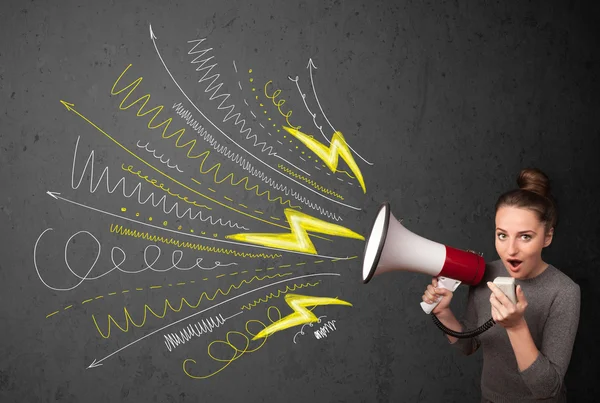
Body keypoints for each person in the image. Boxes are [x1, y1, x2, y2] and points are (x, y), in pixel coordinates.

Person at [422, 168, 580, 403]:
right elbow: (468, 346)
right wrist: (444, 313)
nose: (511, 250)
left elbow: (548, 388)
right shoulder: (484, 273)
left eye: (525, 236)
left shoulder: (564, 292)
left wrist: (516, 327)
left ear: (547, 237)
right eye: (502, 235)